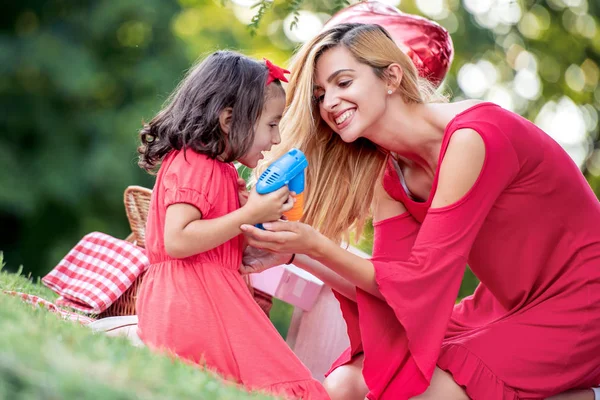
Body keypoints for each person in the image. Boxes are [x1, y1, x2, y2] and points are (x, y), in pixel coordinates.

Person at [240, 23, 600, 400]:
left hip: (581, 307)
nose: (329, 103)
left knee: (420, 395)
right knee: (343, 385)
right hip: (502, 307)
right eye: (319, 95)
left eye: (343, 83)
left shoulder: (471, 139)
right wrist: (294, 252)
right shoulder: (392, 172)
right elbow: (389, 288)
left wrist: (314, 246)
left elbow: (419, 283)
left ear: (391, 76)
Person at [135, 50, 330, 400]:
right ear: (228, 119)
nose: (276, 139)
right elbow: (178, 240)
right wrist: (246, 215)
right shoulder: (192, 162)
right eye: (272, 124)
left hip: (212, 295)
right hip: (190, 302)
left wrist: (257, 220)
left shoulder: (223, 170)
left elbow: (222, 245)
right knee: (271, 382)